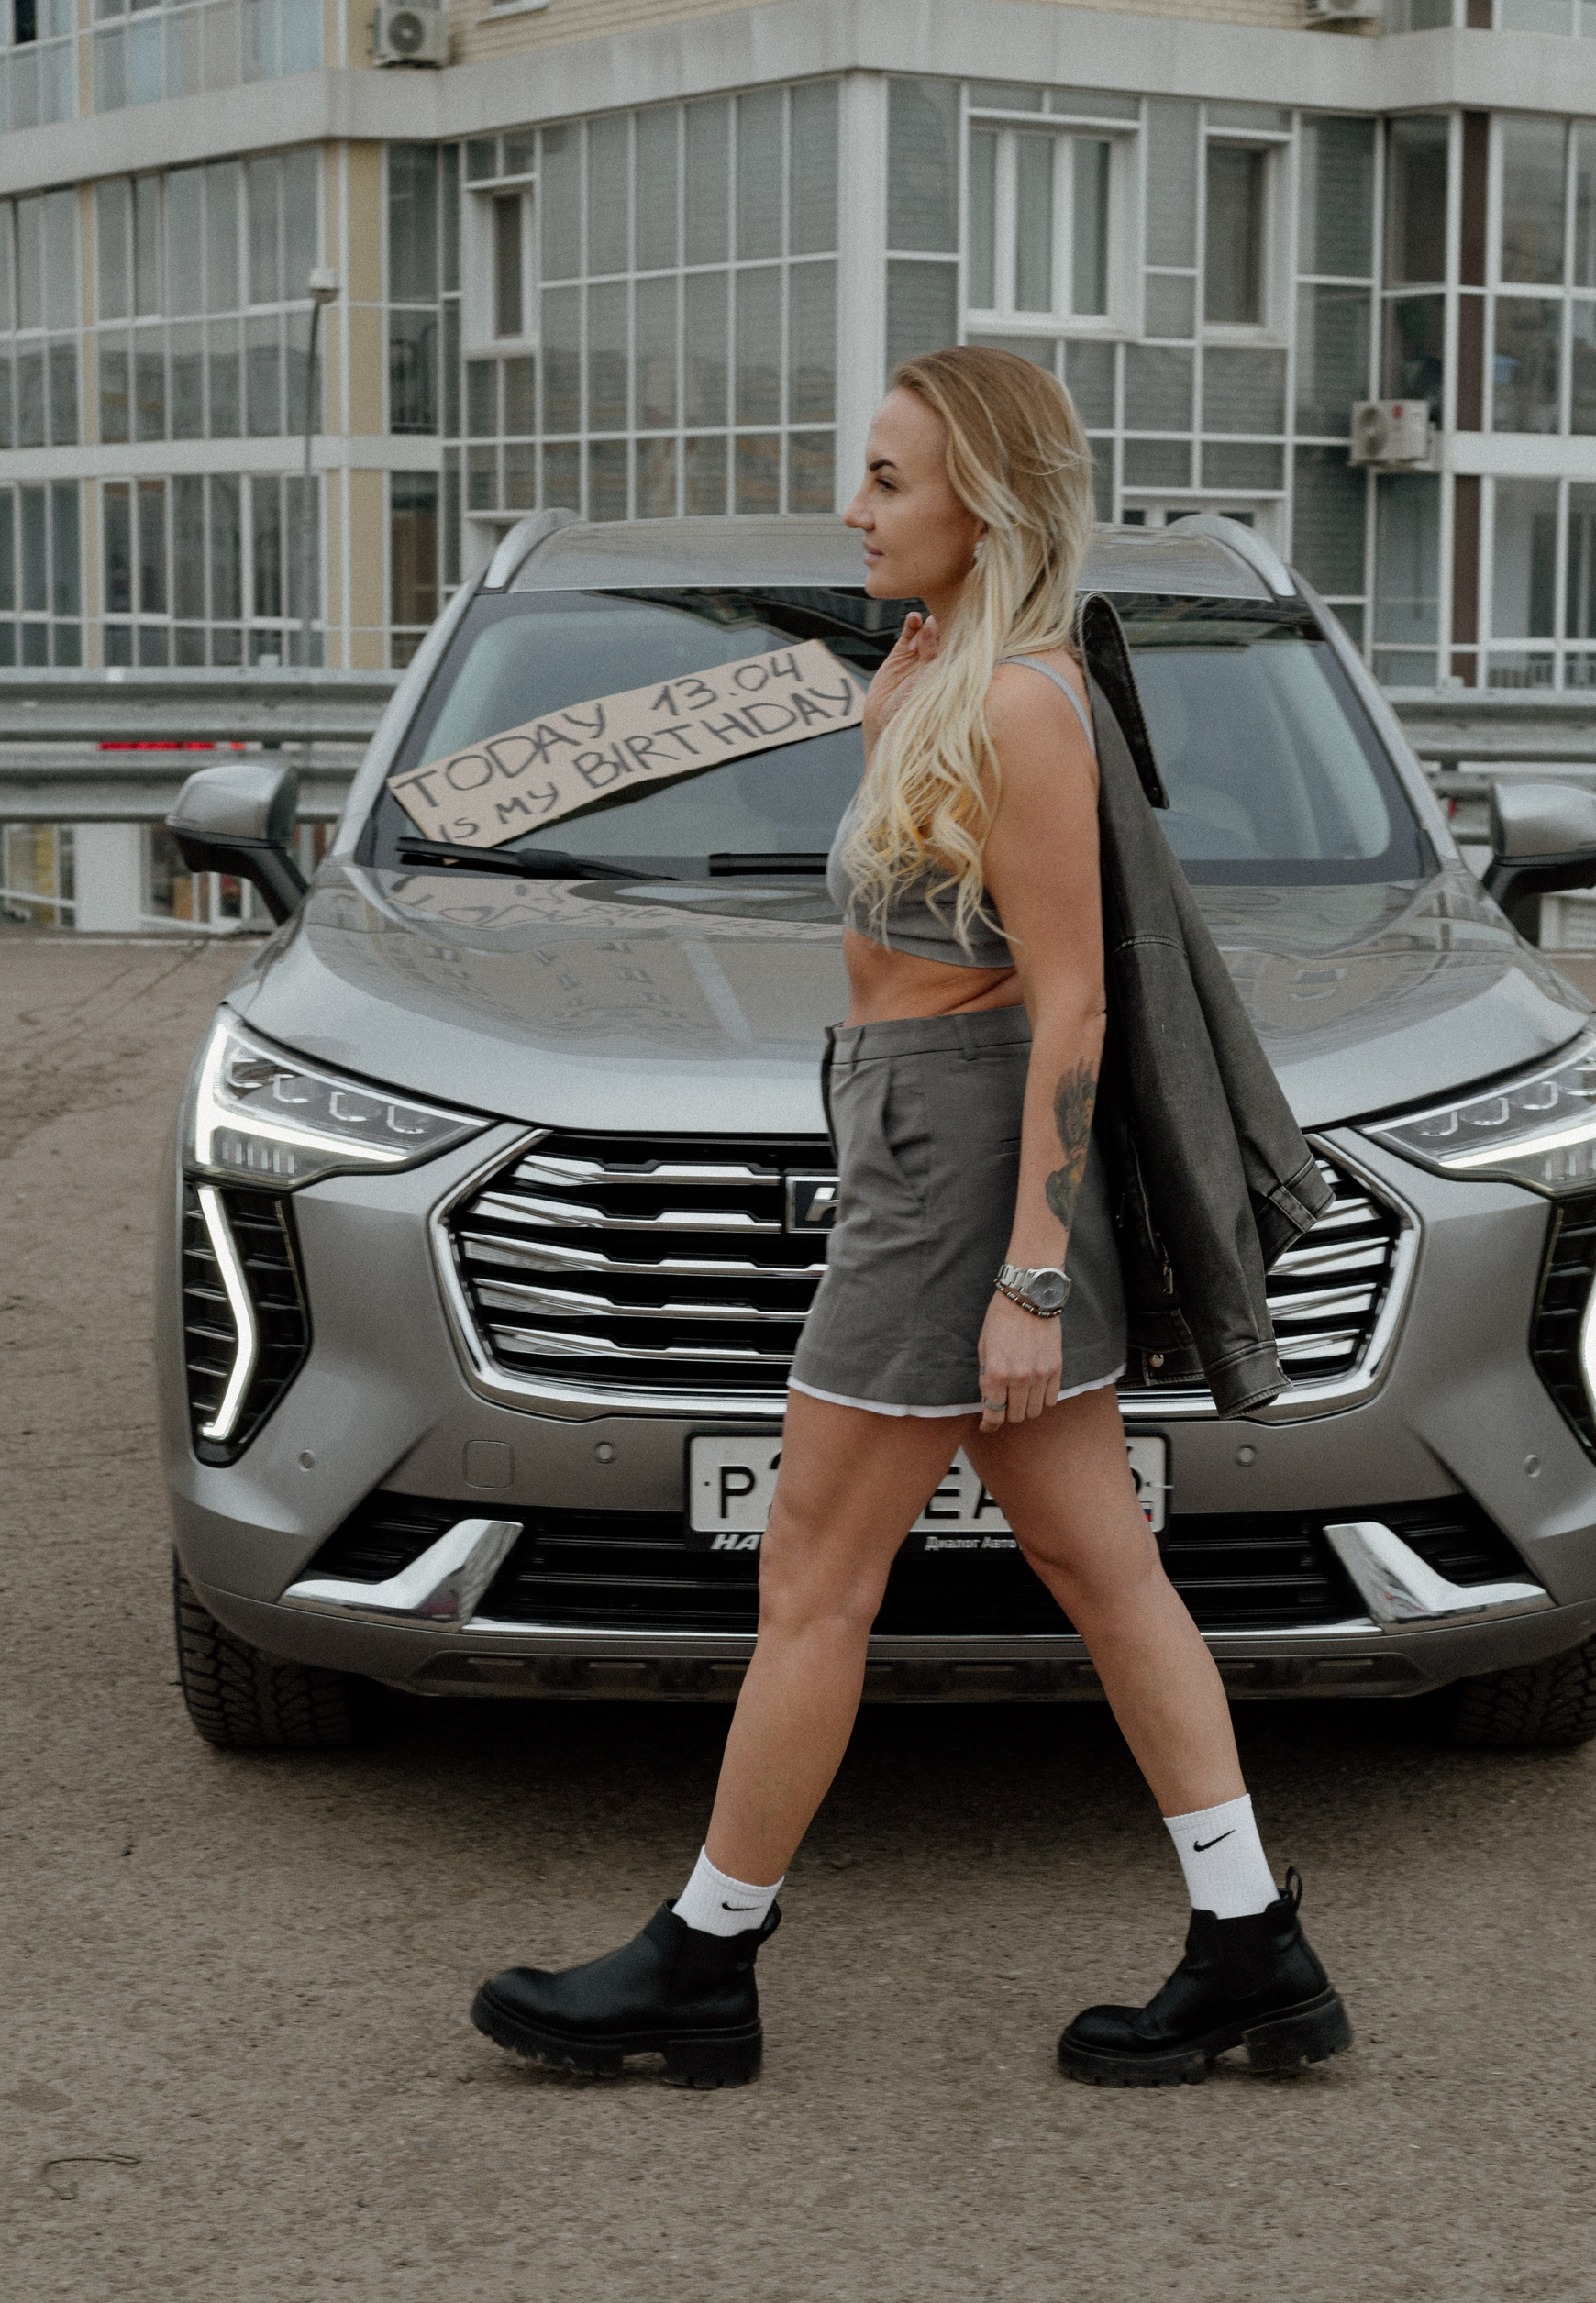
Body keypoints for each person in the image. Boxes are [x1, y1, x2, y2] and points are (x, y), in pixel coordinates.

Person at [471, 345, 1351, 2091]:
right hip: (919, 1139)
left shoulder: (1019, 703)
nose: (852, 510)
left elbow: (1073, 1002)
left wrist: (1030, 1275)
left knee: (814, 1575)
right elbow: (916, 916)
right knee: (1104, 1569)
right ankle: (1253, 1941)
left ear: (987, 505)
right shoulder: (940, 676)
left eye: (888, 480)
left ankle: (702, 1960)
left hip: (958, 1178)